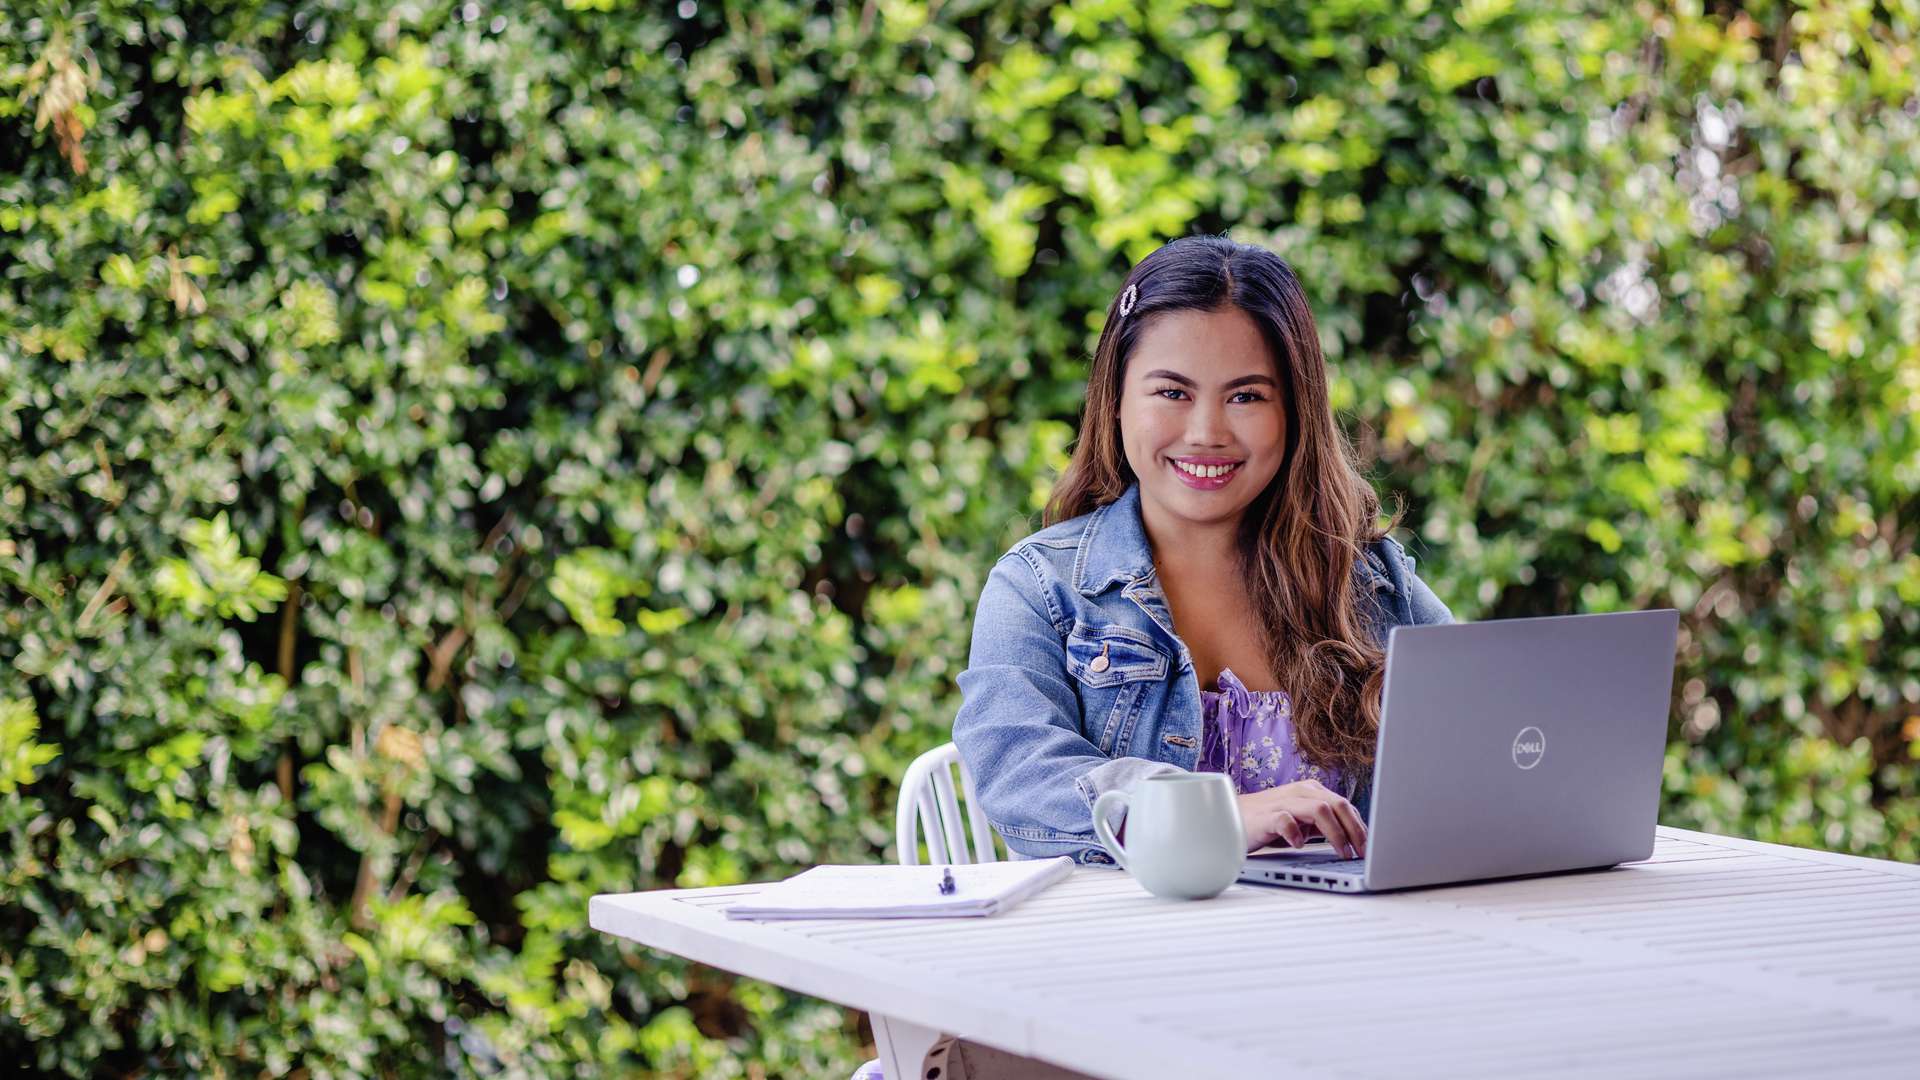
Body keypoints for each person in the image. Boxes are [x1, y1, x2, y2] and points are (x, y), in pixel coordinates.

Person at [951, 234, 1454, 867]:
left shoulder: (1370, 584)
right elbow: (1018, 777)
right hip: (1128, 953)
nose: (1206, 433)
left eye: (1246, 396)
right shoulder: (1039, 588)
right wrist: (1210, 815)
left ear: (1294, 411)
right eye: (1172, 392)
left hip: (1345, 950)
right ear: (1116, 400)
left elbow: (1489, 732)